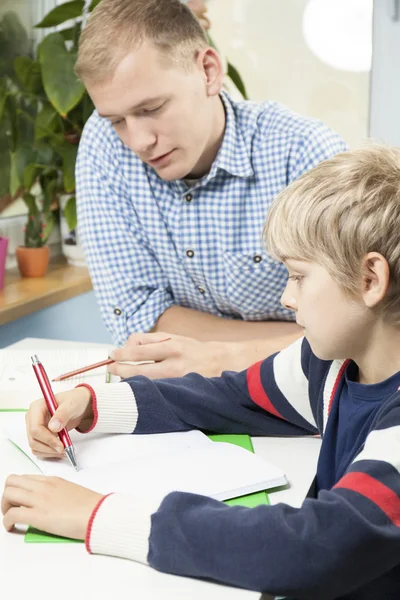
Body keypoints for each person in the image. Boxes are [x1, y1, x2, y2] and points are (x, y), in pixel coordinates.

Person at [4, 144, 400, 599]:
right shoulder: (330, 364)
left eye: (298, 276)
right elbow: (234, 398)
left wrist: (100, 516)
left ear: (370, 279)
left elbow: (314, 547)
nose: (287, 299)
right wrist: (97, 405)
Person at [74, 0, 347, 380]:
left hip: (303, 393)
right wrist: (289, 340)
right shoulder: (105, 143)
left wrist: (219, 358)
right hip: (189, 395)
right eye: (118, 119)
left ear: (208, 71)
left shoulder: (304, 153)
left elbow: (354, 333)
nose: (138, 141)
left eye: (152, 108)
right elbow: (139, 318)